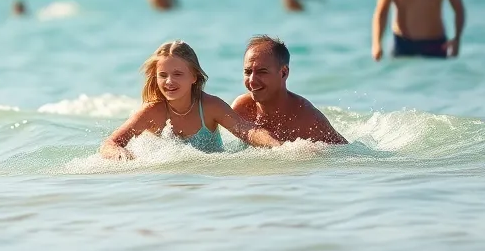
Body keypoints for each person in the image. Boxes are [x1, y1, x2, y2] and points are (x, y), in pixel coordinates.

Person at [101, 40, 281, 159]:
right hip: (164, 183)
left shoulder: (210, 106)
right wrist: (120, 155)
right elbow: (110, 143)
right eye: (163, 75)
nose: (169, 81)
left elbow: (248, 132)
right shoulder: (152, 111)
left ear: (194, 76)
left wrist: (277, 147)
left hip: (206, 181)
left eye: (177, 74)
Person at [231, 36, 347, 144]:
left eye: (262, 72)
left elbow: (346, 152)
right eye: (248, 72)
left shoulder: (308, 119)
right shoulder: (241, 109)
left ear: (283, 73)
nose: (252, 81)